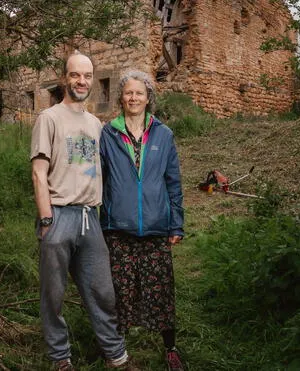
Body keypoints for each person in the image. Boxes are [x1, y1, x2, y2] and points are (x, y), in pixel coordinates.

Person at [30, 52, 137, 371]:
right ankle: (60, 358)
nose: (82, 81)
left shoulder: (95, 125)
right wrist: (46, 218)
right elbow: (38, 171)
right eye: (76, 75)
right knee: (54, 294)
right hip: (58, 215)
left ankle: (115, 355)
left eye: (88, 76)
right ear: (65, 78)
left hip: (91, 219)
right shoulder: (48, 118)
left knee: (103, 291)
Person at [99, 70, 185, 371]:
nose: (133, 98)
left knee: (161, 289)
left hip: (155, 227)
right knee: (119, 291)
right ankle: (116, 350)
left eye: (139, 93)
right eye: (128, 93)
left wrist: (176, 224)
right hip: (117, 228)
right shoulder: (107, 134)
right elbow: (97, 179)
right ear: (121, 98)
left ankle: (170, 348)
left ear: (148, 98)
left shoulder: (164, 134)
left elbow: (173, 182)